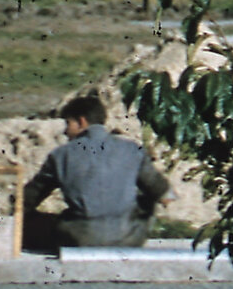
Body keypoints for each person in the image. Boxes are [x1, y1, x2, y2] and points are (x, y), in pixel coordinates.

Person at [28, 92, 157, 250]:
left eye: (68, 124)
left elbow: (29, 197)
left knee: (33, 223)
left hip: (80, 238)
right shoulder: (131, 149)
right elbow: (159, 190)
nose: (65, 131)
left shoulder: (62, 154)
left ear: (82, 122)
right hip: (130, 238)